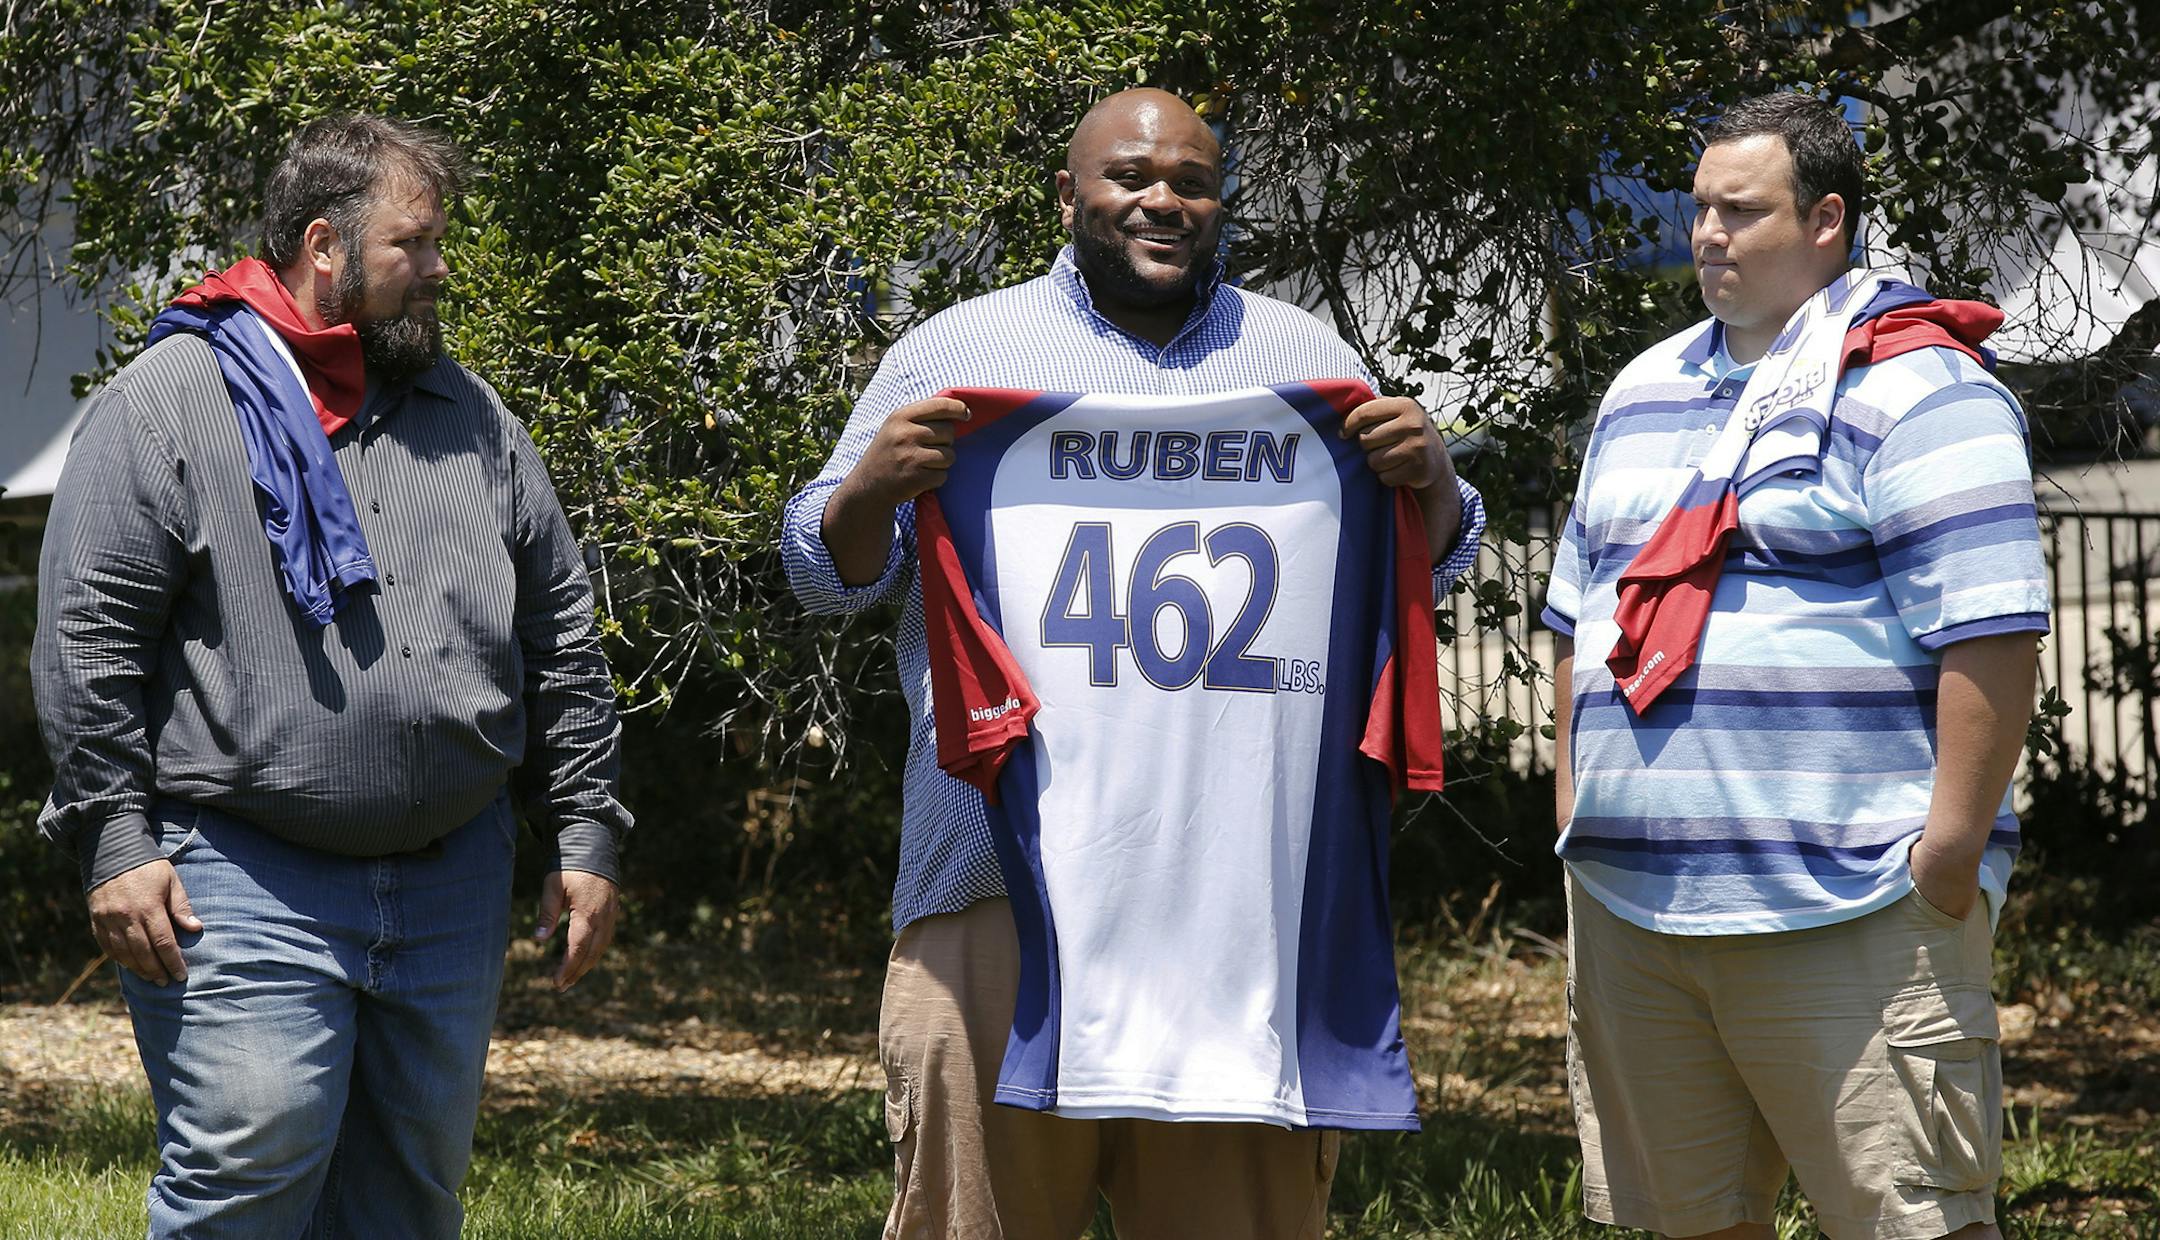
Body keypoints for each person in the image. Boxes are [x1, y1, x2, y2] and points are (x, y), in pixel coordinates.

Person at [783, 87, 1486, 1238]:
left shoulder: (1301, 355)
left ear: (1220, 204)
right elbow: (822, 573)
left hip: (1234, 916)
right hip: (996, 894)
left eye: (1192, 183)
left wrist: (1436, 482)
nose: (1162, 201)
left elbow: (1424, 572)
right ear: (1069, 194)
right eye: (1129, 178)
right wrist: (871, 488)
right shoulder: (958, 349)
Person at [31, 113, 631, 1238]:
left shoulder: (475, 418)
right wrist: (117, 840)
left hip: (454, 878)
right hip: (244, 873)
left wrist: (586, 830)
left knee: (406, 1199)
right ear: (325, 246)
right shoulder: (169, 400)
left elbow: (563, 635)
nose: (440, 267)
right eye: (414, 242)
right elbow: (89, 638)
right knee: (248, 1188)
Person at [1546, 92, 2048, 1240]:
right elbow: (1580, 608)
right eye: (1699, 210)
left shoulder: (1922, 388)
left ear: (1828, 219)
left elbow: (1991, 631)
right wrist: (1576, 811)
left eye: (1741, 210)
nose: (1707, 235)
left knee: (1913, 1224)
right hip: (1636, 912)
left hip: (1852, 909)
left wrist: (1947, 854)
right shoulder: (1640, 388)